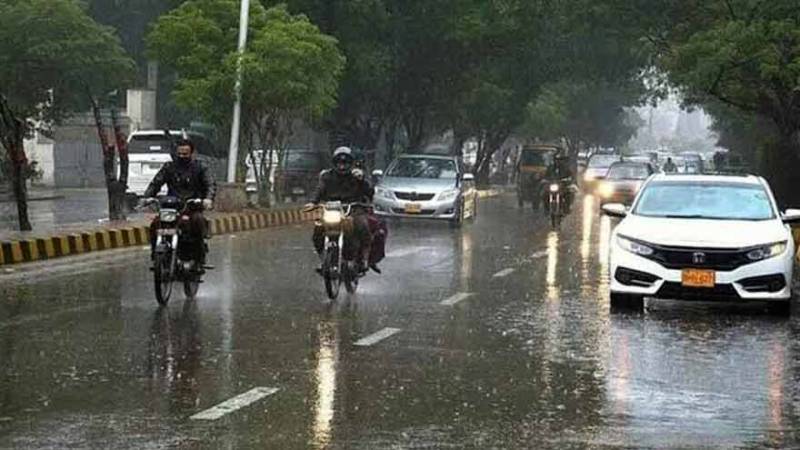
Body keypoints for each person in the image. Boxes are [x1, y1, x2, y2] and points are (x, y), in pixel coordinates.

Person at [142, 138, 216, 269]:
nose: (182, 156)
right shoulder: (169, 167)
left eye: (185, 154)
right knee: (155, 224)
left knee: (198, 222)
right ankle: (156, 256)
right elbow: (156, 183)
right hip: (171, 207)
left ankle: (199, 256)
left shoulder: (200, 167)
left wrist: (208, 199)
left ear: (191, 153)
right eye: (179, 154)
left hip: (192, 207)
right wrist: (147, 197)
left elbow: (210, 184)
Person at [307, 147, 375, 274]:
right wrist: (313, 202)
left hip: (353, 209)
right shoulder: (326, 176)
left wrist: (362, 180)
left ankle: (364, 259)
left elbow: (370, 192)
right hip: (331, 210)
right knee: (318, 231)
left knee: (363, 225)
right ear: (334, 163)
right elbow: (319, 190)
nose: (342, 166)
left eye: (345, 163)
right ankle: (323, 260)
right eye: (339, 163)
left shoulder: (357, 176)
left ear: (350, 163)